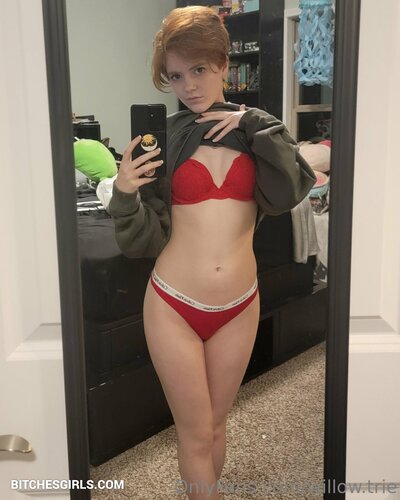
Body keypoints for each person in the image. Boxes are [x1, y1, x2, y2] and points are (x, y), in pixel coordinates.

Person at [108, 6, 316, 499]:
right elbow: (141, 240)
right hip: (173, 303)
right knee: (197, 432)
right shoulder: (168, 139)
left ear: (224, 64)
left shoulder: (258, 131)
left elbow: (290, 192)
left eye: (199, 69)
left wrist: (256, 124)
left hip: (240, 303)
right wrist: (124, 192)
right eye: (176, 76)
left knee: (218, 427)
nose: (189, 86)